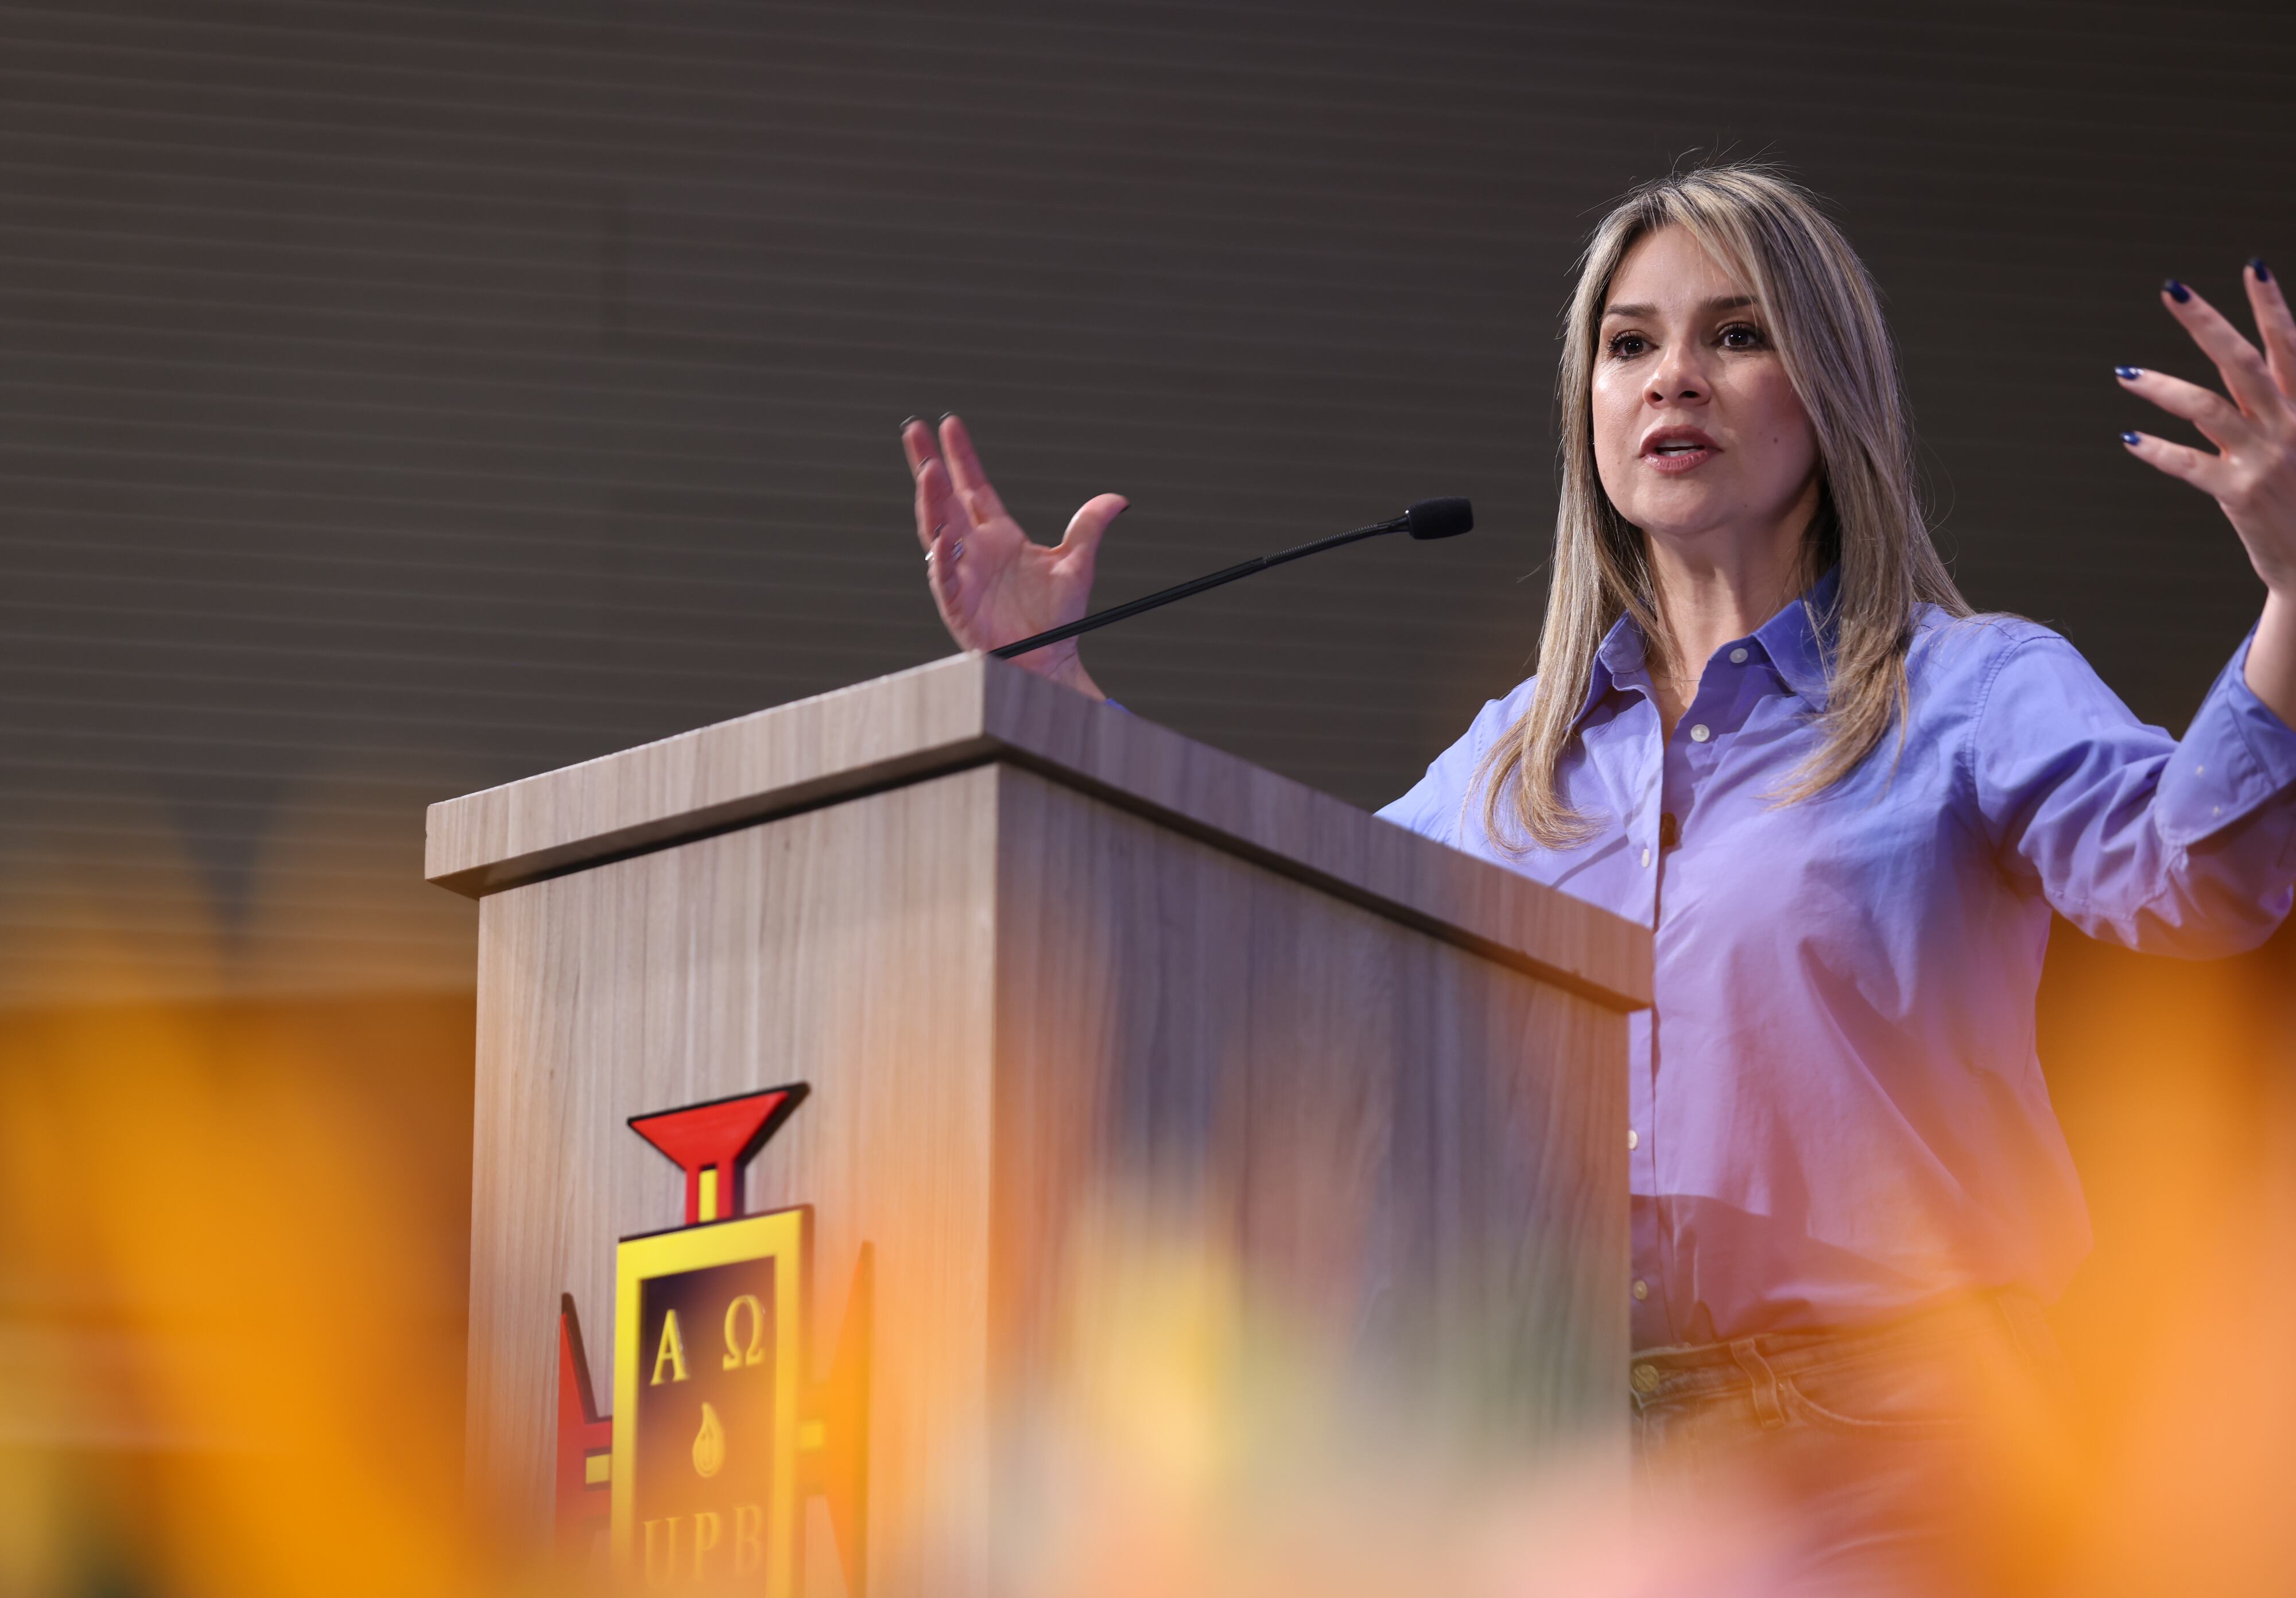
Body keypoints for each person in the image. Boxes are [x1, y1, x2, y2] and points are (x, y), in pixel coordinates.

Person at [898, 164, 2296, 1591]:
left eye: (1736, 336)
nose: (1672, 378)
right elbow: (1277, 929)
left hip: (1901, 1455)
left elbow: (2204, 883)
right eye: (1629, 345)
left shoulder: (1966, 688)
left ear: (1830, 393)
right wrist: (1056, 690)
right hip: (1576, 1476)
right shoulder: (1512, 766)